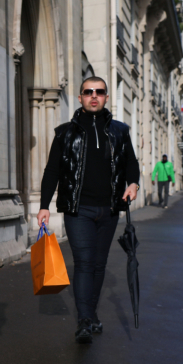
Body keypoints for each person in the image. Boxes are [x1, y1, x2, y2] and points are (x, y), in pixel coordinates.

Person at [37, 77, 140, 344]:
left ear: (106, 97)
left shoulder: (119, 131)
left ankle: (91, 313)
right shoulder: (64, 133)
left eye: (99, 92)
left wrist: (133, 184)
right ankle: (84, 319)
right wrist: (44, 206)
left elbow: (131, 163)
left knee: (99, 264)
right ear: (81, 97)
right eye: (88, 92)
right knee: (83, 263)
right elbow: (52, 172)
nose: (94, 96)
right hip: (77, 209)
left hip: (109, 209)